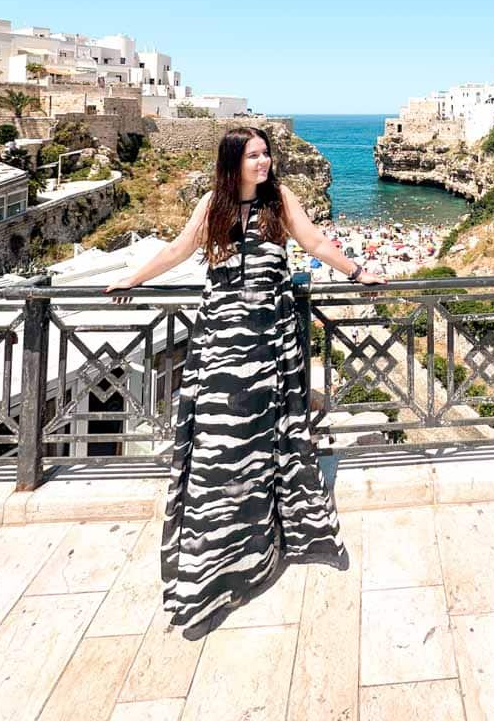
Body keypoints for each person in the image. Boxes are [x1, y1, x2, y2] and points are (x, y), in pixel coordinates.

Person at [105, 126, 385, 632]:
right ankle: (215, 560)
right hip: (221, 342)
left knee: (271, 440)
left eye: (266, 153)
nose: (264, 162)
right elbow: (178, 250)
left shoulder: (281, 200)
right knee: (221, 447)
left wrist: (357, 271)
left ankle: (271, 545)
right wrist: (134, 278)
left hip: (271, 340)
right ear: (233, 160)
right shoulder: (213, 204)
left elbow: (316, 241)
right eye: (254, 155)